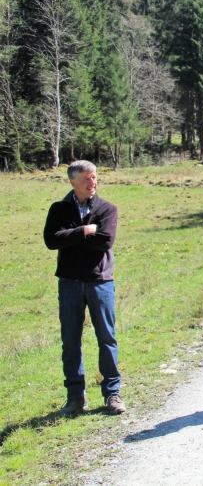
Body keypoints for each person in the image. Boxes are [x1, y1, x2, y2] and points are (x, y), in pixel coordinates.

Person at [43, 161, 125, 416]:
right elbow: (51, 241)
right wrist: (86, 230)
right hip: (68, 283)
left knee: (106, 338)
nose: (93, 182)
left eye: (94, 177)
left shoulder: (106, 209)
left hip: (100, 282)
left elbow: (106, 241)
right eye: (87, 178)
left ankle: (112, 393)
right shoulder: (59, 209)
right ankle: (76, 397)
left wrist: (71, 236)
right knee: (70, 341)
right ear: (73, 181)